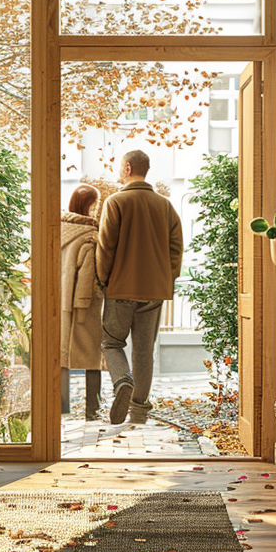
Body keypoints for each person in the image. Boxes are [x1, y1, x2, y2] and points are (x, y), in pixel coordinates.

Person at [96, 150, 183, 425]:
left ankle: (122, 381)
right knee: (144, 351)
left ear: (128, 167)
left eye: (120, 165)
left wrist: (103, 279)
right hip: (154, 291)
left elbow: (106, 247)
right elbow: (176, 249)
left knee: (111, 343)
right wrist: (165, 280)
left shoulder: (116, 202)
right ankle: (139, 412)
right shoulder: (166, 206)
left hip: (121, 287)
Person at [60, 184, 105, 419]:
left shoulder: (57, 229)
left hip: (58, 302)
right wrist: (90, 300)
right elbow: (88, 274)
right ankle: (92, 409)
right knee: (91, 358)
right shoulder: (90, 236)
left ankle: (61, 407)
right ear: (87, 206)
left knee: (61, 355)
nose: (96, 209)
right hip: (82, 303)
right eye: (94, 204)